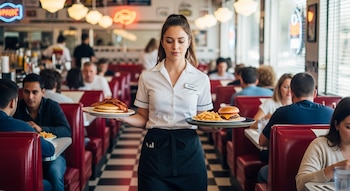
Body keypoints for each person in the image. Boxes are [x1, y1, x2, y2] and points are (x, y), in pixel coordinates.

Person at [116, 14, 218, 191]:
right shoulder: (148, 77)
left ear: (189, 41)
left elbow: (205, 122)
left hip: (189, 152)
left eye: (180, 40)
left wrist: (218, 126)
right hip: (155, 150)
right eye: (169, 41)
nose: (175, 46)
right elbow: (143, 118)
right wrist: (122, 117)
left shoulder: (201, 79)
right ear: (162, 42)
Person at [257, 72, 334, 183]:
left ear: (291, 92)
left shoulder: (281, 112)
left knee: (262, 172)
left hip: (287, 170)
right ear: (315, 93)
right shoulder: (331, 114)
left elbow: (262, 141)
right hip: (322, 171)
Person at [14, 73, 71, 191]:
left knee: (54, 174)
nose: (30, 97)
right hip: (25, 157)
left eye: (34, 92)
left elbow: (66, 130)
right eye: (26, 92)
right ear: (22, 92)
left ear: (43, 92)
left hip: (54, 156)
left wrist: (41, 129)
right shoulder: (16, 108)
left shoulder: (52, 106)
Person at [0, 78, 55, 191]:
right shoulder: (22, 128)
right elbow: (49, 150)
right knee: (48, 185)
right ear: (12, 102)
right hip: (15, 185)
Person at [295, 97, 349, 191]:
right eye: (349, 127)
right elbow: (300, 184)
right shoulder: (320, 146)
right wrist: (333, 169)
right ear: (336, 125)